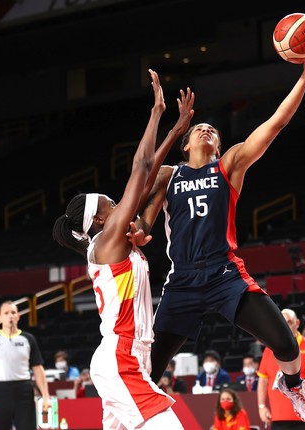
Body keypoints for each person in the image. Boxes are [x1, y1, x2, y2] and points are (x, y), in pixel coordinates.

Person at [130, 40, 305, 425]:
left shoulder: (229, 166)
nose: (206, 130)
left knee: (286, 346)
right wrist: (138, 232)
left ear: (218, 146)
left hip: (224, 275)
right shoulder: (170, 175)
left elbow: (274, 125)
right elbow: (144, 214)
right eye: (200, 128)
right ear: (186, 144)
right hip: (183, 281)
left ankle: (294, 385)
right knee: (149, 372)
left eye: (212, 130)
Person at [52, 69, 194, 429]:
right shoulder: (107, 241)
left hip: (131, 358)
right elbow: (142, 167)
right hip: (122, 358)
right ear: (100, 221)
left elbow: (152, 187)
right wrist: (157, 113)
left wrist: (177, 134)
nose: (118, 205)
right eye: (110, 204)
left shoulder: (117, 241)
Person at [0, 300, 51, 430]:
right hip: (0, 391)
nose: (10, 315)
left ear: (18, 316)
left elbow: (38, 369)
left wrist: (46, 396)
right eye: (6, 313)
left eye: (13, 312)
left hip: (23, 391)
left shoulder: (28, 339)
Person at [257, 308, 305, 429]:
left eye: (289, 322)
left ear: (297, 323)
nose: (284, 326)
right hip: (278, 418)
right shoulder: (269, 349)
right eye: (281, 322)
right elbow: (263, 379)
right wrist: (261, 406)